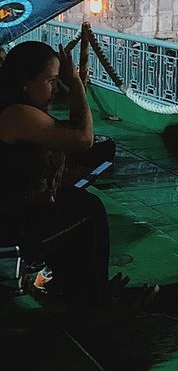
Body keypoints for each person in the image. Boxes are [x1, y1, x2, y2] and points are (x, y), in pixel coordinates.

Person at [0, 36, 156, 316]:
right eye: (50, 81)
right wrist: (76, 85)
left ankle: (75, 290)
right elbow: (83, 138)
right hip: (10, 223)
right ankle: (93, 304)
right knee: (87, 211)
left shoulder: (16, 110)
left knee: (74, 199)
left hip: (15, 209)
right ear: (26, 82)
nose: (55, 89)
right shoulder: (16, 115)